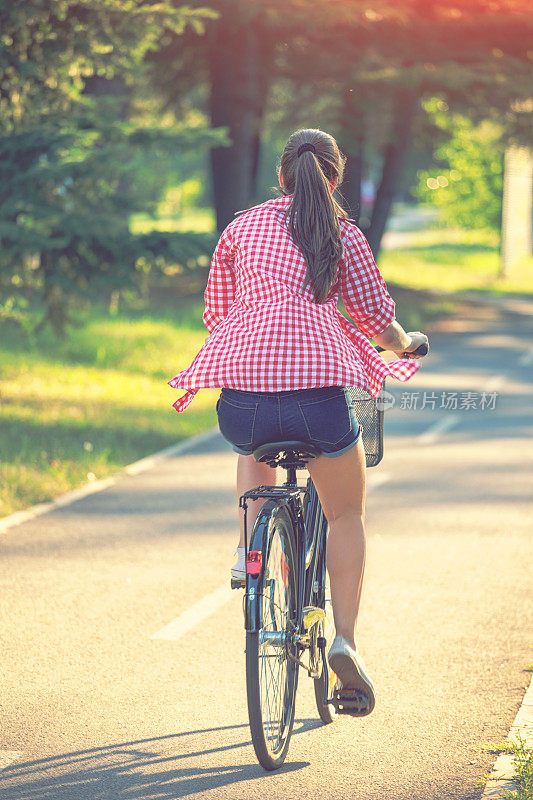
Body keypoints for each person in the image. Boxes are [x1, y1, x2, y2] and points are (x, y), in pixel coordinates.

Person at [168, 128, 428, 712]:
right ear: (332, 178)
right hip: (319, 401)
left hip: (245, 400)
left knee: (251, 445)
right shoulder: (343, 233)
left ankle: (249, 556)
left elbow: (217, 311)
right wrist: (405, 342)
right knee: (346, 513)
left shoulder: (241, 228)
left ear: (282, 175)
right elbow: (374, 320)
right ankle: (346, 641)